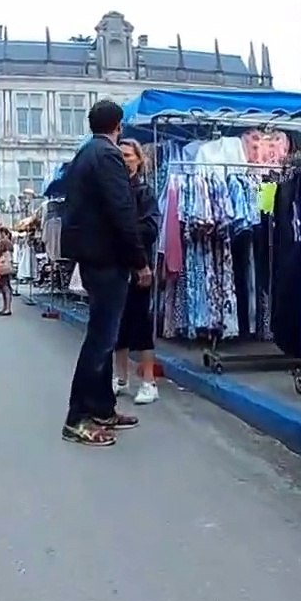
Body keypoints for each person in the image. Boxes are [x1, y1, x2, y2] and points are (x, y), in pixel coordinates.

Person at [59, 99, 150, 447]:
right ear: (119, 126)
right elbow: (122, 211)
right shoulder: (107, 156)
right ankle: (77, 417)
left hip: (93, 256)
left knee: (104, 336)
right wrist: (140, 261)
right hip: (107, 258)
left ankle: (100, 407)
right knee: (100, 339)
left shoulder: (85, 154)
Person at [112, 139, 162, 405]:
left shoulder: (145, 193)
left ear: (139, 160)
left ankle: (149, 381)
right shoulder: (113, 190)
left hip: (139, 265)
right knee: (118, 326)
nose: (124, 159)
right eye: (120, 155)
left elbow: (150, 228)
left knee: (141, 325)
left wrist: (127, 235)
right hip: (116, 267)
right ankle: (120, 378)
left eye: (129, 155)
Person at [0, 227, 16, 316]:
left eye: (1, 233)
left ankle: (6, 308)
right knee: (6, 286)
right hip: (8, 266)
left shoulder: (4, 242)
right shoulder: (10, 242)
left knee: (5, 287)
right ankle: (6, 307)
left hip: (4, 267)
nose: (0, 235)